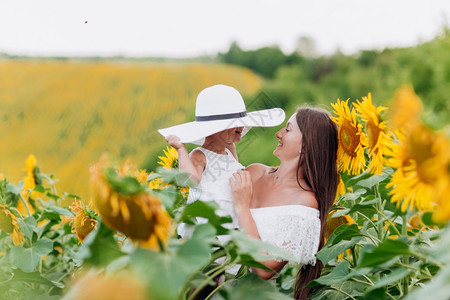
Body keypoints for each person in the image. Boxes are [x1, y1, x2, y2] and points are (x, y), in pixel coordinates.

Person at [230, 106, 339, 299]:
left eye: (287, 129)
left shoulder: (304, 203)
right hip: (207, 281)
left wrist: (243, 208)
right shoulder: (255, 172)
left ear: (305, 145)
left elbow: (264, 269)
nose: (278, 133)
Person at [158, 84, 285, 240]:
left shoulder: (229, 152)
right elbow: (190, 180)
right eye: (237, 127)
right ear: (215, 129)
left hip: (232, 225)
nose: (243, 129)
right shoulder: (200, 155)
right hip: (208, 231)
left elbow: (234, 169)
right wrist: (181, 149)